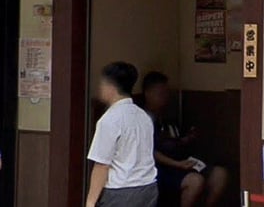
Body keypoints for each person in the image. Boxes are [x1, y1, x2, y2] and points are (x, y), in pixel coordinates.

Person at [140, 71, 229, 207]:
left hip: (182, 162)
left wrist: (187, 139)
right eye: (160, 93)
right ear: (148, 93)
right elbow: (151, 152)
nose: (165, 97)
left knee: (219, 174)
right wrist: (178, 164)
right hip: (161, 169)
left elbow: (175, 141)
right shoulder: (141, 119)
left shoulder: (167, 116)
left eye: (166, 93)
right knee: (195, 181)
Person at [86, 62, 158, 207]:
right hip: (148, 187)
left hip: (121, 192)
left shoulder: (110, 119)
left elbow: (102, 165)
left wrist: (90, 202)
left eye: (102, 84)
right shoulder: (143, 116)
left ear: (110, 87)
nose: (100, 89)